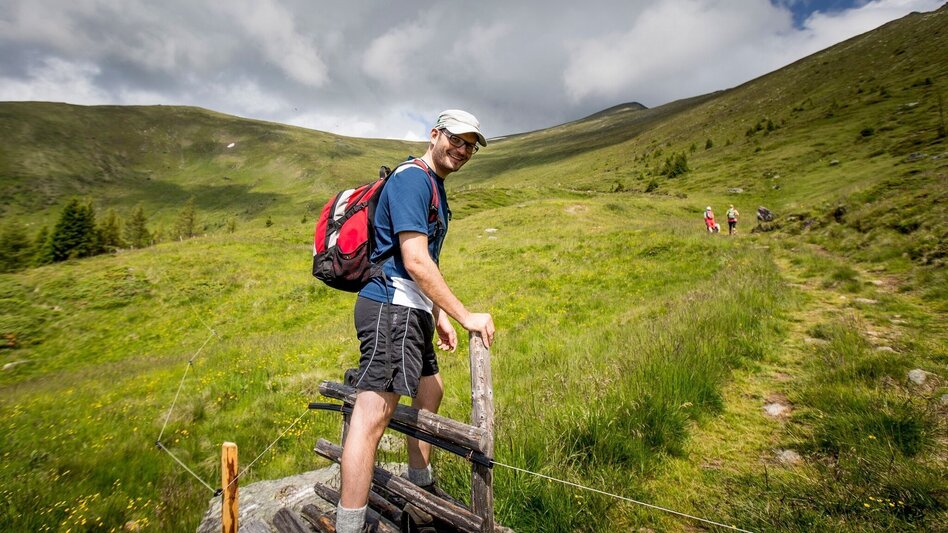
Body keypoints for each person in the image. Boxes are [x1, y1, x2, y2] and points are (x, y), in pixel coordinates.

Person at [336, 110, 495, 533]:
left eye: (470, 146)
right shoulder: (411, 179)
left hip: (411, 309)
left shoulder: (435, 187)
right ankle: (349, 526)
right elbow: (415, 260)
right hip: (392, 307)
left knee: (432, 389)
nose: (462, 150)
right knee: (372, 416)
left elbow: (426, 264)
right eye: (456, 140)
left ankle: (419, 494)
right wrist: (464, 317)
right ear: (435, 134)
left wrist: (438, 314)